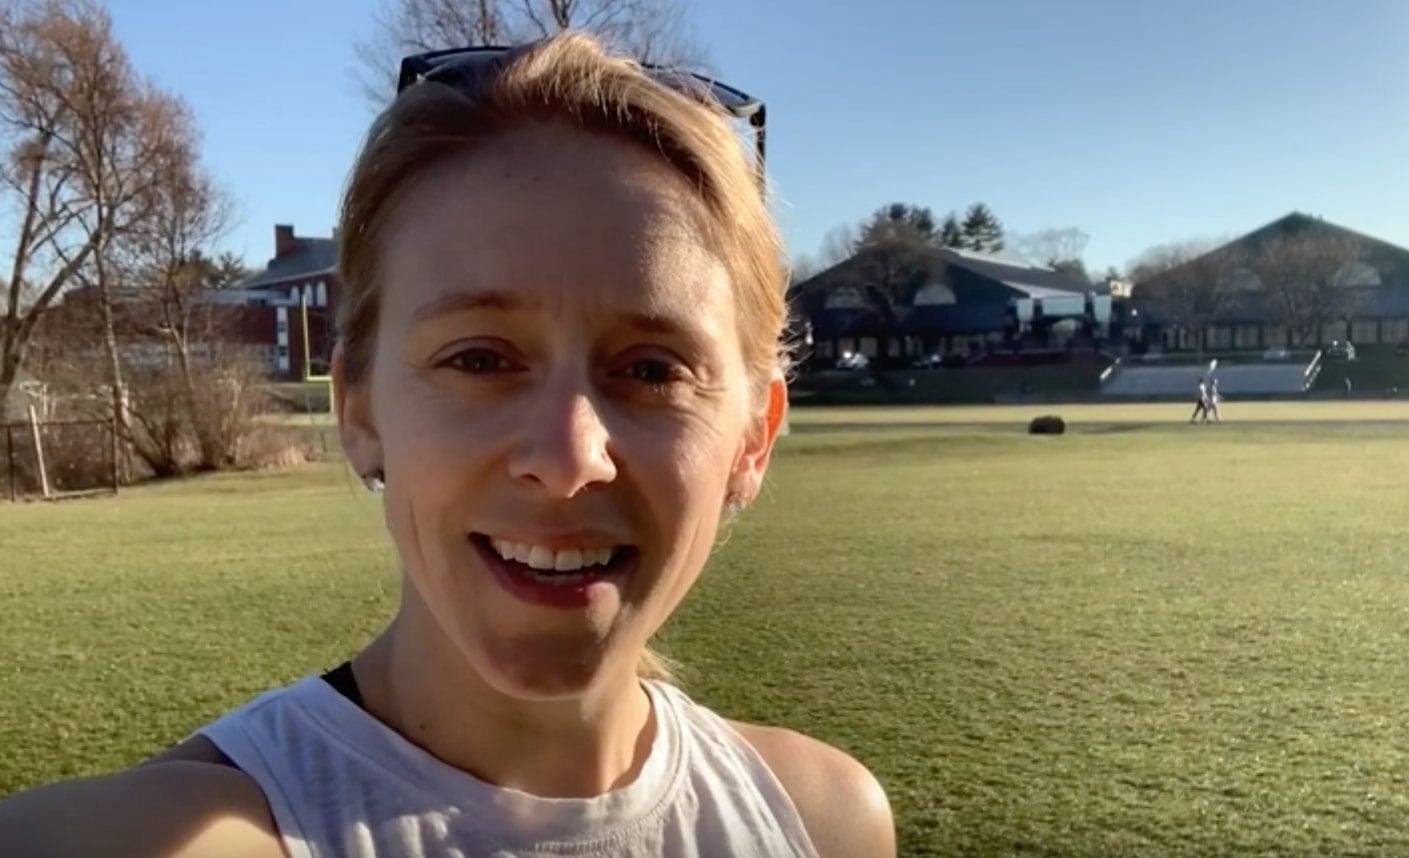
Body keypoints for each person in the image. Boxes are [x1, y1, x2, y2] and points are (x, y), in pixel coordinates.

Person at [0, 34, 894, 858]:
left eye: (654, 369)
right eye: (478, 357)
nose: (568, 454)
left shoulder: (822, 820)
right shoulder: (180, 833)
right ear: (359, 409)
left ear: (754, 437)